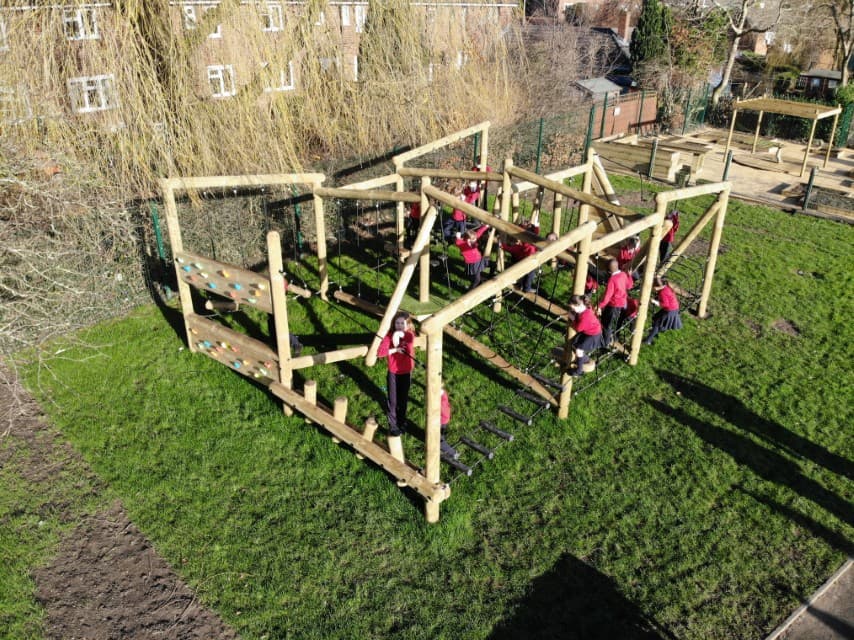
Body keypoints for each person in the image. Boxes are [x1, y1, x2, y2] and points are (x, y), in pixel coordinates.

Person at [377, 311, 416, 436]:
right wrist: (394, 349)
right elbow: (380, 353)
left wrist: (399, 335)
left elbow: (409, 344)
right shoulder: (388, 336)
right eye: (397, 323)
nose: (399, 326)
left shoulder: (409, 335)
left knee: (403, 400)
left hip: (406, 372)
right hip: (393, 372)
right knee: (393, 401)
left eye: (402, 323)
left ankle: (402, 421)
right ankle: (393, 425)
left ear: (408, 325)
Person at [597, 259, 633, 346]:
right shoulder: (623, 274)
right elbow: (629, 286)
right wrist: (629, 276)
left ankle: (605, 342)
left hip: (613, 305)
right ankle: (608, 337)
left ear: (609, 271)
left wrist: (600, 306)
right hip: (622, 303)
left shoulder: (612, 280)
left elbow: (607, 296)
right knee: (611, 321)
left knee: (606, 323)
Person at [568, 294, 604, 376]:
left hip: (593, 335)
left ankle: (579, 370)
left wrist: (573, 318)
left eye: (573, 308)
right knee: (575, 343)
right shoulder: (585, 308)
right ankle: (582, 359)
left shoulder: (585, 317)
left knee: (579, 350)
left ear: (578, 305)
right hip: (589, 331)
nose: (572, 309)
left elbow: (578, 328)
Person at [644, 276, 682, 345]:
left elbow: (665, 304)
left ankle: (648, 340)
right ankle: (655, 332)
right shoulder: (666, 287)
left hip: (670, 310)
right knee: (655, 318)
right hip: (673, 308)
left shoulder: (662, 292)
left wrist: (654, 301)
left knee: (657, 324)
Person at [455, 224, 490, 290]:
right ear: (468, 239)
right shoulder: (463, 245)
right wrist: (458, 237)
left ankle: (481, 280)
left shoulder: (473, 240)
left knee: (480, 272)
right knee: (476, 279)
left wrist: (486, 226)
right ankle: (471, 291)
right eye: (474, 239)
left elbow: (479, 233)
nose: (476, 239)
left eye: (475, 238)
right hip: (472, 263)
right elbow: (457, 242)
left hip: (478, 260)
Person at [439, 385, 459, 459]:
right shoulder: (443, 394)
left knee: (439, 441)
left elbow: (443, 413)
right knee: (439, 438)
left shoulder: (442, 403)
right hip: (443, 420)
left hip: (442, 421)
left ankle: (453, 453)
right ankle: (452, 452)